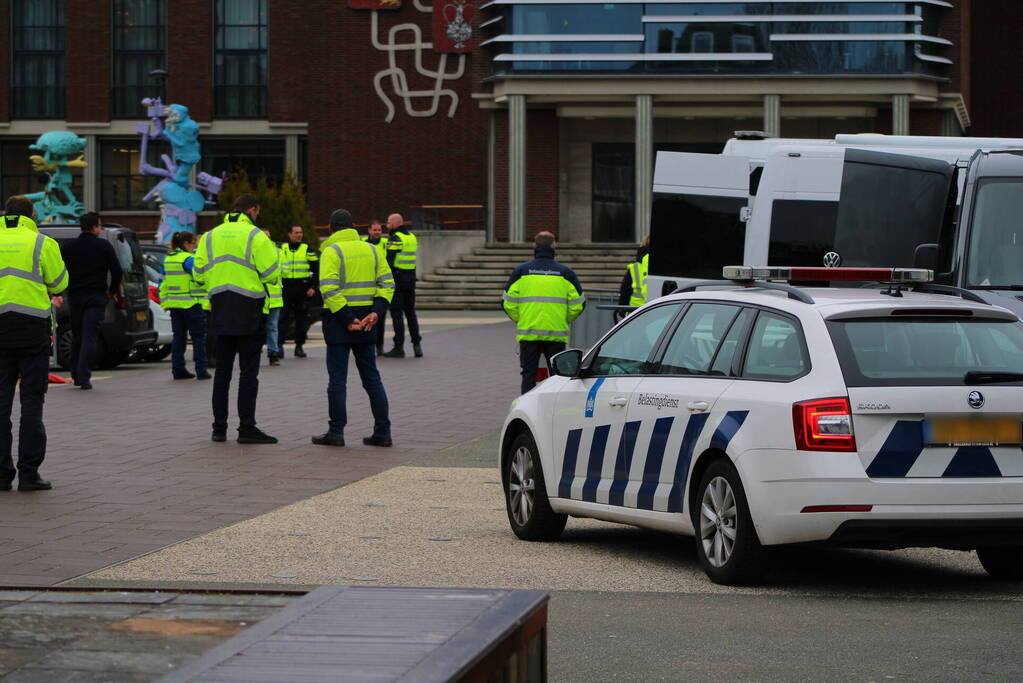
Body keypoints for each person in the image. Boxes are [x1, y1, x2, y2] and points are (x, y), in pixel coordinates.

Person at [194, 194, 280, 444]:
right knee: (248, 373)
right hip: (249, 311)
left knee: (222, 373)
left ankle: (219, 429)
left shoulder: (210, 235)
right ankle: (246, 428)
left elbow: (199, 275)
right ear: (253, 210)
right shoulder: (255, 235)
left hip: (219, 310)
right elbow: (272, 274)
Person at [0, 195, 68, 491]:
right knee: (31, 401)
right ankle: (29, 474)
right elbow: (60, 283)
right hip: (32, 330)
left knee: (1, 404)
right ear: (31, 215)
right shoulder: (42, 242)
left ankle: (2, 475)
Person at [313, 209, 394, 447]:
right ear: (354, 227)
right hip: (368, 321)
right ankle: (383, 431)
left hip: (340, 322)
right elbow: (387, 284)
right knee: (372, 378)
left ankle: (336, 432)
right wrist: (376, 312)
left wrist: (348, 318)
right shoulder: (372, 249)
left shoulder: (331, 250)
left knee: (337, 380)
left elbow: (328, 288)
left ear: (330, 228)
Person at [502, 231, 585, 394]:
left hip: (529, 332)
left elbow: (508, 303)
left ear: (535, 245)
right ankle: (554, 409)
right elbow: (579, 305)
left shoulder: (521, 271)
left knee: (528, 374)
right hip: (555, 332)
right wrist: (564, 319)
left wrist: (522, 319)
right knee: (558, 376)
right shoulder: (565, 273)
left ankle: (527, 409)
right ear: (554, 246)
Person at [59, 211, 122, 390]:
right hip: (95, 296)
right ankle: (84, 375)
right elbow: (117, 270)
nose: (100, 229)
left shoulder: (69, 247)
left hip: (75, 296)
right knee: (89, 336)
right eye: (100, 226)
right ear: (94, 227)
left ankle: (75, 374)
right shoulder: (103, 246)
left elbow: (60, 269)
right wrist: (111, 291)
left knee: (77, 335)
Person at [160, 231, 210, 380]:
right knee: (198, 337)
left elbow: (162, 284)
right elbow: (200, 279)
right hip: (192, 303)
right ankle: (201, 370)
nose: (194, 247)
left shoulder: (168, 260)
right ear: (187, 243)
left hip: (175, 305)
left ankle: (178, 370)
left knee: (179, 338)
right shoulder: (189, 259)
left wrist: (166, 303)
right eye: (194, 243)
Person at [382, 213, 422, 358]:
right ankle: (417, 345)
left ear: (394, 223)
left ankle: (399, 347)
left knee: (396, 313)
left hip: (398, 280)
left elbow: (389, 261)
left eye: (388, 222)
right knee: (410, 313)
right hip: (410, 279)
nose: (386, 225)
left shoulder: (395, 238)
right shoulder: (411, 237)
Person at [278, 224, 318, 359]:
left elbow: (316, 269)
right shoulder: (281, 249)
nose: (299, 235)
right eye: (296, 233)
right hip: (286, 288)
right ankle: (279, 346)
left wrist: (313, 287)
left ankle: (299, 346)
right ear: (289, 234)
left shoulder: (307, 249)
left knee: (301, 319)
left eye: (300, 232)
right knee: (282, 318)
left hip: (302, 289)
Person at [362, 219, 388, 354]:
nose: (377, 232)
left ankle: (379, 346)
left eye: (379, 230)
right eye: (375, 230)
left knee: (380, 317)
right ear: (369, 230)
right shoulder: (363, 245)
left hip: (381, 285)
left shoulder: (385, 244)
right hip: (367, 285)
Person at [262, 228, 284, 366]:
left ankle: (273, 353)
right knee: (267, 327)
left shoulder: (278, 252)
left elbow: (283, 270)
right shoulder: (253, 251)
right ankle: (268, 353)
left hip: (273, 297)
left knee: (272, 327)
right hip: (260, 296)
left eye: (268, 236)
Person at [617, 237, 650, 310]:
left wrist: (621, 310)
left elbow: (625, 292)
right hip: (657, 309)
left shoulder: (634, 268)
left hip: (635, 311)